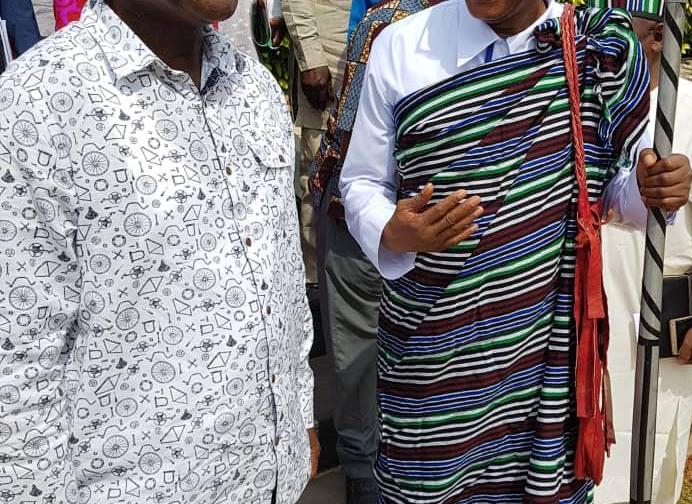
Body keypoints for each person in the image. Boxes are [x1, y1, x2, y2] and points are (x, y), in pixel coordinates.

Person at [339, 0, 692, 501]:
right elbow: (360, 182)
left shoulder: (593, 49)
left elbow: (610, 191)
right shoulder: (400, 46)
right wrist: (393, 232)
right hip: (434, 355)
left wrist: (651, 189)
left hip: (544, 357)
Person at [0, 1, 318, 502]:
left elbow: (283, 283)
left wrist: (300, 413)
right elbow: (17, 371)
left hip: (272, 477)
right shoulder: (36, 105)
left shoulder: (254, 89)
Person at [588, 2, 692, 503]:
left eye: (619, 28)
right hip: (576, 310)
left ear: (659, 36)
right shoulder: (577, 104)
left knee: (647, 444)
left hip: (654, 311)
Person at [311, 2, 436, 502]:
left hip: (383, 217)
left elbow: (345, 136)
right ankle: (367, 473)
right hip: (379, 218)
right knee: (364, 348)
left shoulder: (389, 20)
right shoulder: (392, 23)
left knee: (361, 350)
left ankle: (366, 472)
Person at [282, 0, 351, 287]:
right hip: (328, 61)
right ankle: (316, 289)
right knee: (320, 185)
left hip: (381, 49)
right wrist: (310, 57)